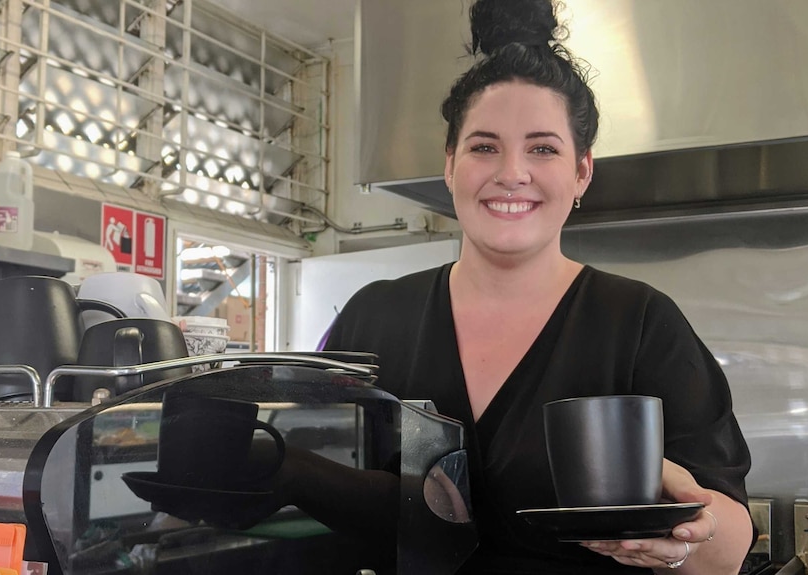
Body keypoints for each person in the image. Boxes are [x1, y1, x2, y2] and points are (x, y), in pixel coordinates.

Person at [323, 0, 754, 573]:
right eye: (484, 146)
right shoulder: (373, 317)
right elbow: (313, 478)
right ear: (450, 164)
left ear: (581, 173)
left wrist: (684, 535)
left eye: (543, 148)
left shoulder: (640, 322)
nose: (511, 173)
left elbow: (728, 550)